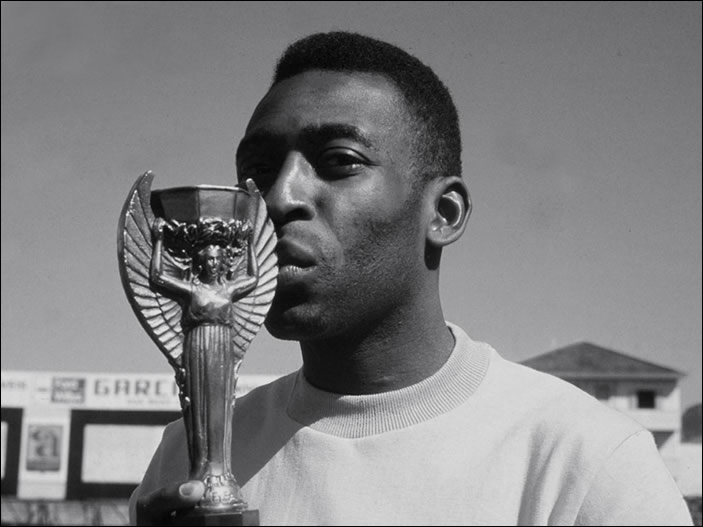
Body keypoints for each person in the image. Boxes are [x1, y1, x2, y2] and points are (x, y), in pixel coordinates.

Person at [130, 31, 693, 525]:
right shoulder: (188, 462)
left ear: (443, 214)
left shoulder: (586, 462)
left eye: (339, 160)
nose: (280, 197)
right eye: (257, 171)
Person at [150, 215, 258, 508]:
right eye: (207, 259)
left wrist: (249, 243)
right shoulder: (193, 290)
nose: (212, 264)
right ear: (199, 263)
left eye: (217, 259)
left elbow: (253, 278)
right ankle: (202, 471)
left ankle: (220, 474)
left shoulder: (228, 290)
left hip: (222, 347)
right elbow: (157, 277)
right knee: (199, 408)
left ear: (223, 263)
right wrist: (158, 240)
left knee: (220, 407)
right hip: (198, 348)